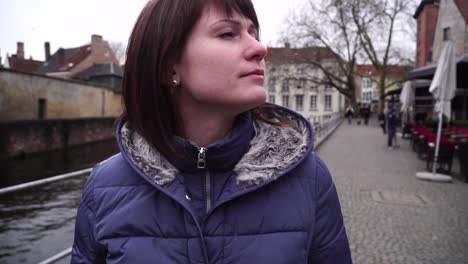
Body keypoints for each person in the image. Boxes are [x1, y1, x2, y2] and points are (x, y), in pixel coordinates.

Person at [71, 0, 352, 263]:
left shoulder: (309, 178)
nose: (259, 48)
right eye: (228, 33)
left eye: (254, 33)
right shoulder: (103, 187)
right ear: (169, 65)